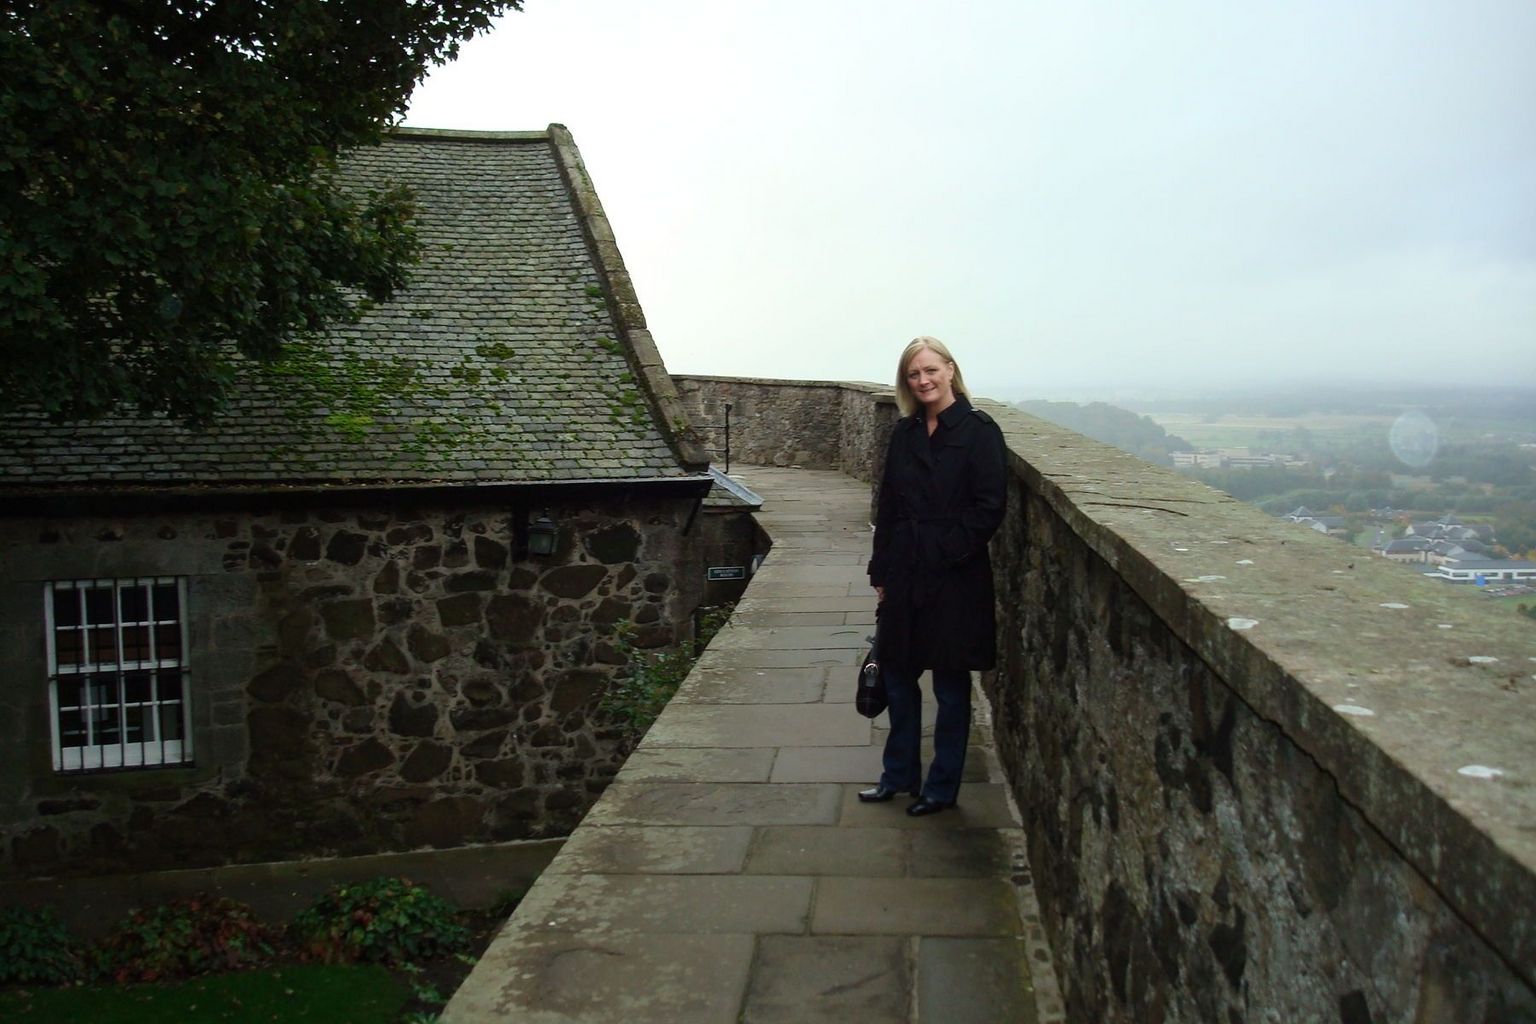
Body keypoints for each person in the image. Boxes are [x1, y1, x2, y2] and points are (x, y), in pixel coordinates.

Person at [861, 336, 1007, 816]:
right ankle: (897, 777)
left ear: (950, 370)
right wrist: (881, 569)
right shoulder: (903, 434)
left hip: (955, 577)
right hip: (904, 571)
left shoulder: (980, 431)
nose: (923, 381)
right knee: (900, 681)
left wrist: (942, 551)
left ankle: (941, 789)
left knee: (949, 687)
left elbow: (989, 509)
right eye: (913, 374)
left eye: (930, 371)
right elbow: (888, 504)